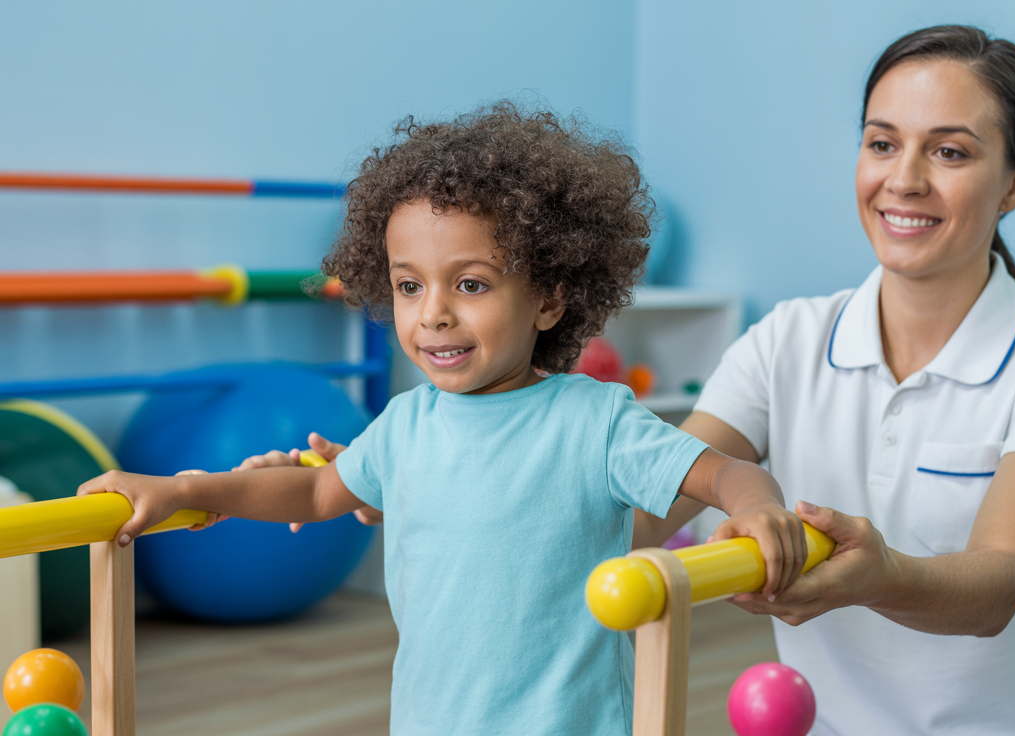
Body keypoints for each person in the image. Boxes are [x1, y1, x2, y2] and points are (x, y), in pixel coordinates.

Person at [76, 102, 809, 736]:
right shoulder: (405, 424)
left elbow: (723, 470)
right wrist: (186, 490)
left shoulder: (595, 420)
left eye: (470, 283)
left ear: (550, 298)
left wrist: (759, 507)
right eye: (408, 285)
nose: (433, 313)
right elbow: (317, 493)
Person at [635, 25, 1015, 735]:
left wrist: (882, 575)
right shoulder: (787, 340)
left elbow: (997, 585)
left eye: (950, 151)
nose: (903, 179)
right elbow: (657, 498)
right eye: (881, 143)